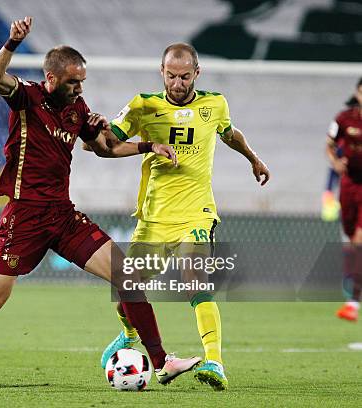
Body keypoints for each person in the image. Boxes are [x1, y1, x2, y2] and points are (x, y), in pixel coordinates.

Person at [0, 17, 200, 386]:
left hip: (63, 216)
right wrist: (11, 43)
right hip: (24, 217)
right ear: (52, 79)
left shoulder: (77, 110)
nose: (79, 89)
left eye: (82, 81)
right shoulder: (27, 98)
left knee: (127, 276)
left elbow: (105, 147)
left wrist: (149, 146)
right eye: (73, 82)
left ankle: (163, 361)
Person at [85, 43, 270, 391]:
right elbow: (106, 144)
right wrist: (93, 132)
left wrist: (253, 159)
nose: (178, 83)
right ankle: (128, 335)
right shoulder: (144, 105)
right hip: (154, 217)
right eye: (171, 76)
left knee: (195, 279)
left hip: (197, 212)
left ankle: (214, 360)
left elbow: (230, 134)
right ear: (161, 72)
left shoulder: (214, 104)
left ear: (196, 74)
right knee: (128, 287)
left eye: (185, 76)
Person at [327, 77, 362, 322]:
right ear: (358, 93)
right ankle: (352, 287)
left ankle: (352, 301)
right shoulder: (343, 119)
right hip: (348, 185)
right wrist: (336, 162)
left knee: (360, 240)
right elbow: (329, 145)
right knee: (351, 239)